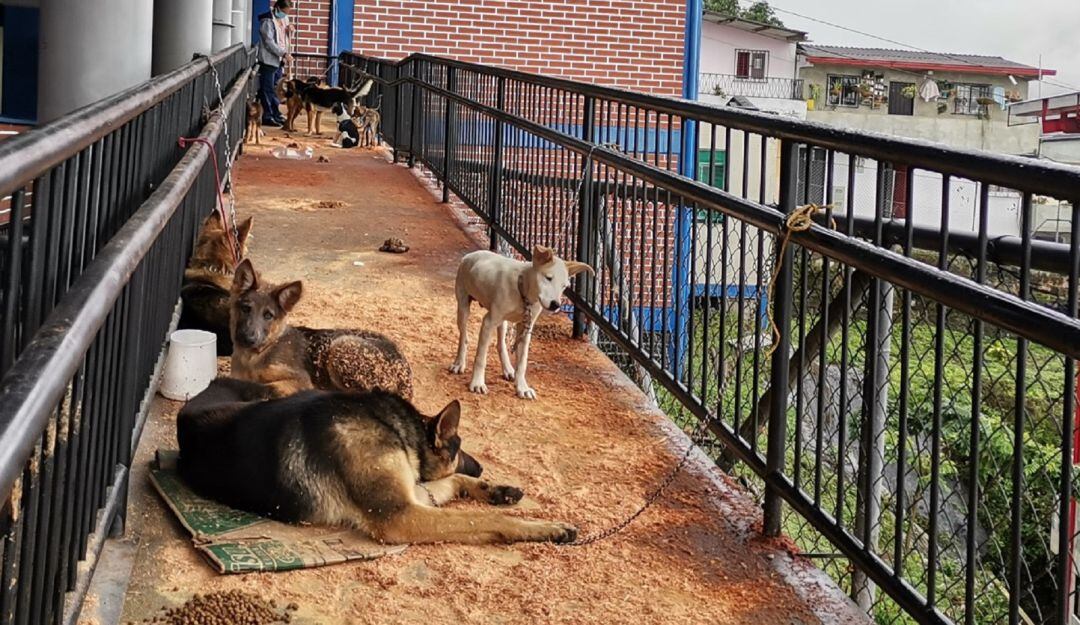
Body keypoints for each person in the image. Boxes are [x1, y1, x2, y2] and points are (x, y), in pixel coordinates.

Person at [256, 0, 292, 127]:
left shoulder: (282, 20)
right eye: (284, 12)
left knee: (275, 89)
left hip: (278, 61)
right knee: (267, 89)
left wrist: (289, 29)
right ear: (277, 8)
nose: (285, 15)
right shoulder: (267, 21)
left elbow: (282, 37)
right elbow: (269, 42)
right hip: (268, 60)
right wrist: (283, 53)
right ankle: (268, 115)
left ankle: (275, 113)